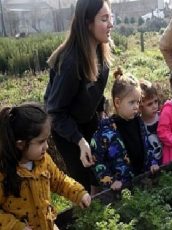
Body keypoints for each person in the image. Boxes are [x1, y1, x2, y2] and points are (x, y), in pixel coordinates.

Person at [44, 0, 113, 191]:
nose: (111, 24)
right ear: (87, 23)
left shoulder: (102, 53)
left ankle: (102, 211)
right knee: (81, 180)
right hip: (64, 125)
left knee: (99, 170)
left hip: (86, 117)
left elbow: (97, 93)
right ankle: (86, 214)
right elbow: (55, 112)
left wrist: (101, 115)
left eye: (110, 17)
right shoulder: (70, 62)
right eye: (104, 19)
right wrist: (80, 141)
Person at [0, 103, 91, 230]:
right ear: (20, 144)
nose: (47, 147)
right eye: (41, 142)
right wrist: (15, 226)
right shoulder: (4, 172)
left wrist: (78, 193)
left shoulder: (43, 160)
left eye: (47, 140)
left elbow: (60, 181)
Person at [90, 71, 141, 191]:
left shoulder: (139, 122)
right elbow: (96, 159)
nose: (136, 106)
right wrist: (110, 181)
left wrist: (152, 162)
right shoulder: (105, 130)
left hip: (140, 181)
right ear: (117, 102)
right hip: (119, 188)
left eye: (138, 102)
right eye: (132, 102)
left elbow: (146, 145)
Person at [139, 79, 162, 173]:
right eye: (149, 104)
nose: (154, 106)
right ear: (140, 106)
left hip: (168, 160)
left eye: (156, 101)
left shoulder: (162, 117)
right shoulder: (139, 125)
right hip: (150, 168)